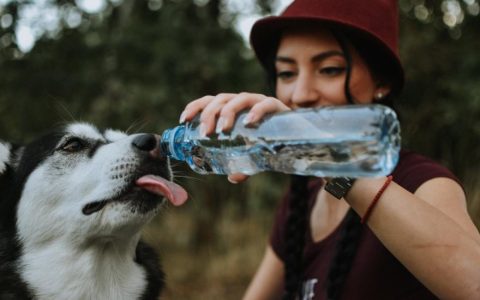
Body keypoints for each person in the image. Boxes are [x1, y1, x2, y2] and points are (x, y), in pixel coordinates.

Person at [178, 0, 480, 299]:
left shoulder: (423, 182)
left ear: (382, 81)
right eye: (286, 74)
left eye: (330, 69)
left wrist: (331, 159)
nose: (301, 94)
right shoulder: (301, 198)